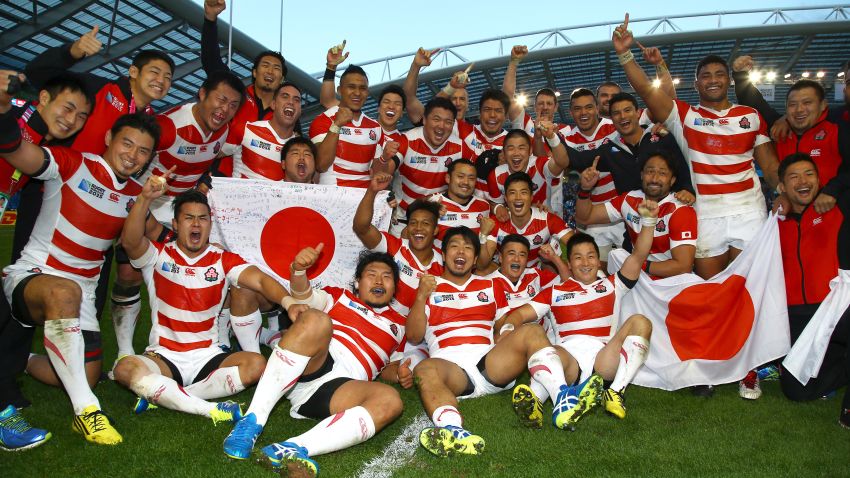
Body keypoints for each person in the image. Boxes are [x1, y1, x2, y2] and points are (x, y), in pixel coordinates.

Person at [0, 77, 161, 444]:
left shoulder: (137, 194)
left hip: (82, 296)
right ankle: (87, 412)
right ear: (108, 140)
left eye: (143, 151)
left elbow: (160, 236)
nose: (132, 155)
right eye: (127, 143)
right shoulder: (71, 163)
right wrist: (4, 109)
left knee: (83, 373)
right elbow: (15, 150)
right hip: (35, 276)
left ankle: (22, 358)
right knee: (65, 291)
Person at [613, 13, 779, 281]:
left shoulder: (751, 116)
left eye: (719, 75)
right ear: (696, 83)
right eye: (705, 76)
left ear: (729, 80)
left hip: (750, 212)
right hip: (706, 214)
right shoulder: (684, 116)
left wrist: (782, 191)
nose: (713, 80)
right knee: (710, 289)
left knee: (749, 289)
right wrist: (624, 54)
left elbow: (770, 166)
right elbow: (646, 90)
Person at [223, 248, 406, 476]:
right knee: (316, 319)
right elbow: (303, 297)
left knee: (391, 401)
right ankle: (253, 420)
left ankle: (293, 448)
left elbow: (389, 368)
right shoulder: (339, 296)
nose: (379, 280)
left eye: (387, 276)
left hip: (340, 388)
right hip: (310, 365)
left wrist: (401, 373)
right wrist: (298, 271)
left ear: (394, 287)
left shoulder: (401, 326)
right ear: (357, 282)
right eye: (371, 274)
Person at [114, 186, 287, 423]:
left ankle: (167, 395)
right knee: (124, 368)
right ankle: (210, 410)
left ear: (210, 224)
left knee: (256, 364)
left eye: (202, 218)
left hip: (207, 356)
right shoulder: (157, 256)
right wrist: (144, 198)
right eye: (189, 218)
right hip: (164, 357)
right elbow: (131, 241)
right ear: (175, 224)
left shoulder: (222, 259)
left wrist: (288, 301)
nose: (196, 224)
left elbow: (260, 279)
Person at [109, 70, 245, 363]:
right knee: (128, 274)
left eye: (233, 105)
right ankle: (124, 352)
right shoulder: (169, 127)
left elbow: (228, 155)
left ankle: (211, 341)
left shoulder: (226, 132)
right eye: (220, 99)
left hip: (184, 211)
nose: (224, 110)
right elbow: (129, 154)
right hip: (147, 204)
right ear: (202, 94)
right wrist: (139, 199)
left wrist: (207, 179)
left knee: (206, 270)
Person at [408, 226, 574, 457]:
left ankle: (562, 400)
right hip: (452, 371)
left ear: (475, 258)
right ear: (444, 255)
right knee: (423, 369)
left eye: (468, 248)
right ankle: (454, 431)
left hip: (490, 365)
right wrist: (420, 297)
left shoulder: (490, 285)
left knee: (531, 330)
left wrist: (507, 334)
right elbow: (414, 336)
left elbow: (504, 323)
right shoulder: (428, 286)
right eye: (455, 247)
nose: (461, 252)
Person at [0, 73, 93, 451]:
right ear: (41, 98)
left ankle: (6, 396)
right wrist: (5, 104)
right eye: (67, 108)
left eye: (81, 115)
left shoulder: (42, 139)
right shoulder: (24, 129)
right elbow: (7, 139)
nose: (72, 120)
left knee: (8, 318)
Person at [500, 201, 657, 424]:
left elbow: (639, 254)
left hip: (603, 362)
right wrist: (508, 328)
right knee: (542, 345)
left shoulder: (614, 285)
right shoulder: (554, 292)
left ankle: (615, 392)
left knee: (641, 321)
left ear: (598, 260)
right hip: (568, 363)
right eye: (578, 257)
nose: (585, 263)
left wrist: (649, 221)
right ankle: (546, 399)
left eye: (591, 256)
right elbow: (519, 315)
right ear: (570, 264)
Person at [774, 153, 850, 428]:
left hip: (835, 308)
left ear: (820, 180)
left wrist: (834, 190)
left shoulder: (837, 208)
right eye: (794, 177)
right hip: (796, 316)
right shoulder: (773, 221)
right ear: (782, 186)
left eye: (809, 174)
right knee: (796, 390)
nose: (803, 181)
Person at [24, 26, 174, 155]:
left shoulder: (150, 121)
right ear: (134, 72)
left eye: (168, 77)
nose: (161, 80)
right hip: (43, 178)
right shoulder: (97, 88)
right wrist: (72, 52)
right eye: (154, 72)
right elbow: (36, 72)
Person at [733, 58, 848, 210]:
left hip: (834, 215)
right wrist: (740, 75)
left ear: (823, 106)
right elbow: (755, 103)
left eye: (807, 103)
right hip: (793, 217)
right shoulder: (779, 130)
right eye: (793, 105)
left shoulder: (839, 128)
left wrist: (832, 190)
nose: (799, 109)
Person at [575, 152, 698, 278]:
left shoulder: (680, 210)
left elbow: (683, 267)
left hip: (670, 282)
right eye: (650, 172)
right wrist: (585, 189)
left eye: (662, 173)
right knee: (616, 255)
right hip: (639, 276)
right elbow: (584, 218)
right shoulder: (629, 199)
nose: (655, 179)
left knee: (622, 259)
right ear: (641, 175)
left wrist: (637, 264)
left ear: (672, 180)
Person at [310, 65, 398, 188]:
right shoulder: (324, 120)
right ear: (339, 90)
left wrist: (384, 158)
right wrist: (337, 125)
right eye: (351, 87)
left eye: (362, 88)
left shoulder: (375, 127)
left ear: (367, 92)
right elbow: (321, 165)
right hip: (332, 196)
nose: (357, 93)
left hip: (363, 198)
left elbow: (376, 173)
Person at [392, 97, 469, 234]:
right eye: (436, 119)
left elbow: (474, 180)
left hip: (440, 221)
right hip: (404, 221)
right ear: (425, 120)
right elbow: (384, 172)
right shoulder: (407, 140)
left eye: (448, 122)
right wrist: (384, 160)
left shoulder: (461, 148)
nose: (441, 126)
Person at [479, 172, 573, 269]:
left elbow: (577, 246)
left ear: (531, 197)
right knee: (484, 271)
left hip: (536, 275)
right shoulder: (496, 223)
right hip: (506, 275)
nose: (518, 197)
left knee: (552, 267)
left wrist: (555, 258)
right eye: (512, 193)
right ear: (506, 199)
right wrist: (483, 235)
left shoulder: (547, 219)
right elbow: (481, 265)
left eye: (523, 192)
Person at [221, 82, 303, 181]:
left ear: (300, 110)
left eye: (296, 100)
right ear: (273, 104)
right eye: (285, 96)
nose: (291, 102)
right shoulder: (245, 130)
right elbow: (211, 155)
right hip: (237, 195)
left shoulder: (300, 147)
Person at [485, 128, 569, 218]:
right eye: (510, 148)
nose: (516, 153)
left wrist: (552, 137)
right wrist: (498, 208)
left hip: (548, 224)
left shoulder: (540, 165)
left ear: (530, 151)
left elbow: (562, 163)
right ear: (504, 152)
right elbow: (495, 203)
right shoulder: (495, 175)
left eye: (521, 148)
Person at [427, 159, 491, 248]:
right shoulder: (433, 203)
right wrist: (430, 216)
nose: (466, 182)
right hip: (438, 261)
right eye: (460, 176)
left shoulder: (484, 206)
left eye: (471, 178)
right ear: (448, 178)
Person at [403, 47, 471, 127]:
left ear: (467, 104)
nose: (458, 103)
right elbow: (408, 98)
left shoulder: (477, 134)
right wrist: (416, 65)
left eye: (462, 99)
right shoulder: (432, 127)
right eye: (454, 99)